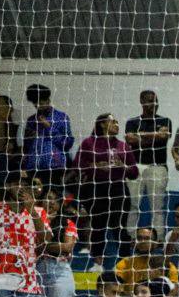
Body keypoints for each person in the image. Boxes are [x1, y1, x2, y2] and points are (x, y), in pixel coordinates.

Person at [73, 114, 137, 267]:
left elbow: (134, 172)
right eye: (113, 121)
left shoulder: (123, 145)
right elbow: (77, 165)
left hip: (118, 187)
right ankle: (97, 262)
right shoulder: (89, 143)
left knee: (120, 225)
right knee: (98, 225)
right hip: (97, 188)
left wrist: (124, 167)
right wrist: (95, 166)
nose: (117, 124)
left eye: (117, 121)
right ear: (102, 124)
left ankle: (125, 262)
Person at [124, 90, 172, 232]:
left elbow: (163, 137)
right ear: (142, 102)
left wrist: (140, 136)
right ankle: (130, 236)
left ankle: (158, 237)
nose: (154, 104)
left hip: (157, 167)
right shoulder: (132, 122)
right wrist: (154, 136)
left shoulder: (164, 120)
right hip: (135, 167)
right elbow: (129, 139)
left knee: (157, 206)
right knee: (132, 204)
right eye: (150, 100)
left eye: (156, 100)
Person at [21, 85, 74, 178]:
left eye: (41, 104)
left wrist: (49, 127)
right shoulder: (31, 120)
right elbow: (27, 146)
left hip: (55, 166)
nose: (38, 107)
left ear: (48, 101)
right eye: (35, 104)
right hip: (34, 166)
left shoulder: (61, 117)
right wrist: (29, 138)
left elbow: (68, 143)